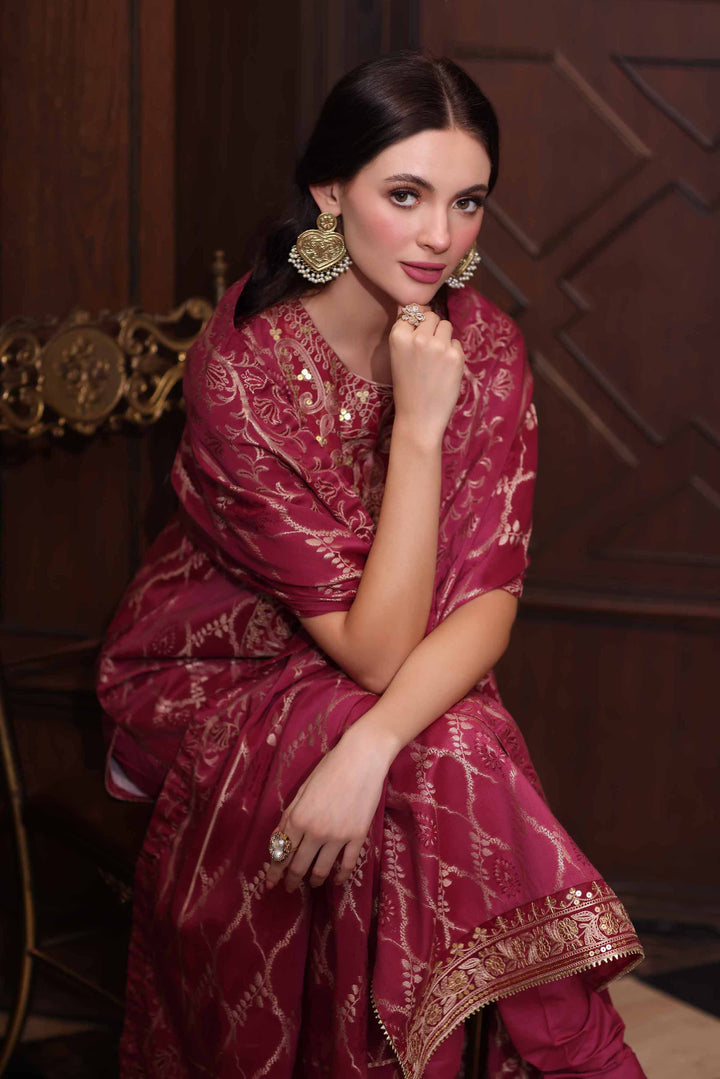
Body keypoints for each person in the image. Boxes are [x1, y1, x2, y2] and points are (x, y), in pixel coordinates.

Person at [97, 52, 647, 1079]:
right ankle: (583, 1060)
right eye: (406, 195)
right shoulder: (246, 371)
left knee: (437, 753)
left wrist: (369, 744)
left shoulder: (485, 347)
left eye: (468, 202)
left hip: (394, 678)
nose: (442, 235)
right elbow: (378, 647)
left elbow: (486, 602)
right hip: (218, 667)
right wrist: (419, 432)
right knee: (455, 748)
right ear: (329, 192)